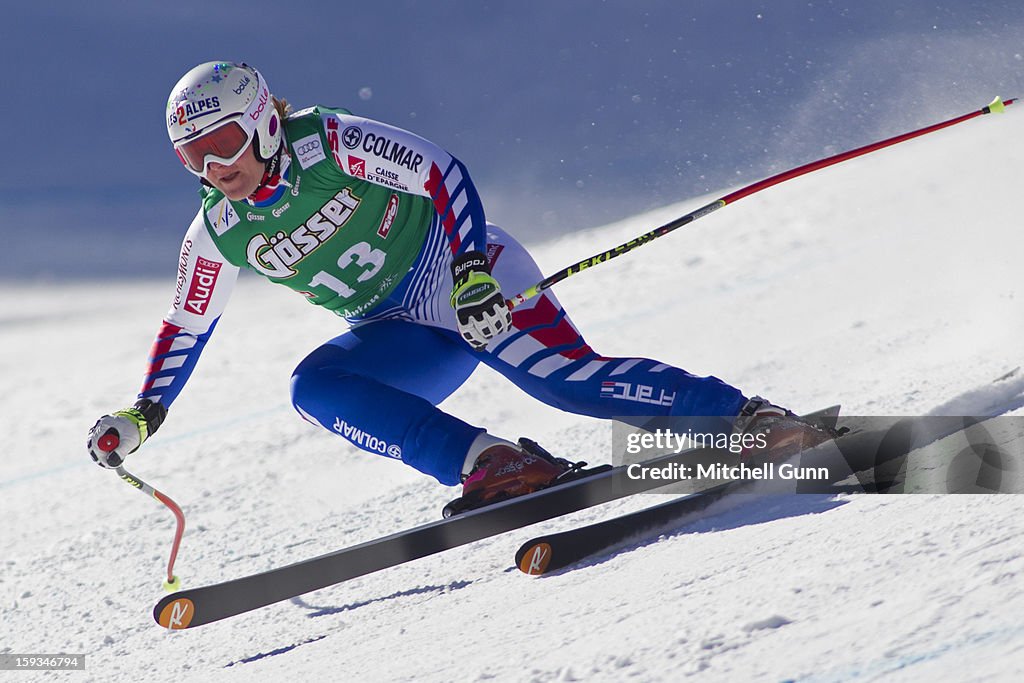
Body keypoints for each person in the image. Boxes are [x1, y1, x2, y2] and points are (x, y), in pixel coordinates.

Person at [86, 61, 828, 511]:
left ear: (260, 123)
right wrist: (145, 411)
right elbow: (187, 325)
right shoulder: (217, 229)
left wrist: (470, 270)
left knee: (562, 381)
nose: (216, 171)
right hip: (399, 331)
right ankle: (492, 463)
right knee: (316, 385)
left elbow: (440, 171)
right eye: (193, 159)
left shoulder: (329, 143)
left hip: (461, 273)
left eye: (222, 145)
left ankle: (743, 417)